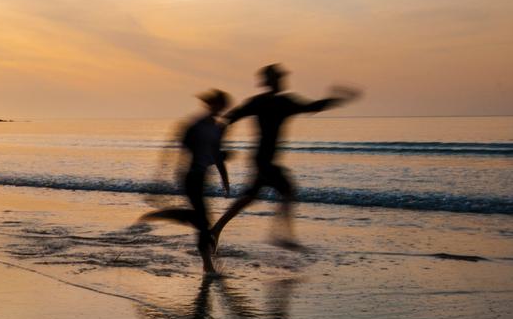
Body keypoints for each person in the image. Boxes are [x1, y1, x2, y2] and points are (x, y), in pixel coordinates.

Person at [210, 64, 361, 250]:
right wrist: (337, 99)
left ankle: (216, 230)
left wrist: (219, 140)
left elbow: (229, 119)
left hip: (261, 159)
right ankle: (281, 235)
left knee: (248, 198)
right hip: (265, 161)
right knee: (288, 190)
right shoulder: (281, 103)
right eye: (279, 78)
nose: (282, 81)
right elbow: (313, 106)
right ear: (271, 81)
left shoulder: (261, 102)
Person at [141, 89, 231, 273]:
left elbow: (215, 154)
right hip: (191, 176)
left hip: (202, 176)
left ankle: (169, 215)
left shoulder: (217, 127)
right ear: (211, 104)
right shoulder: (196, 125)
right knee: (203, 221)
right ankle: (207, 265)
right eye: (219, 104)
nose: (221, 108)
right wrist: (162, 176)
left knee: (201, 220)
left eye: (223, 105)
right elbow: (177, 149)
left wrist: (224, 177)